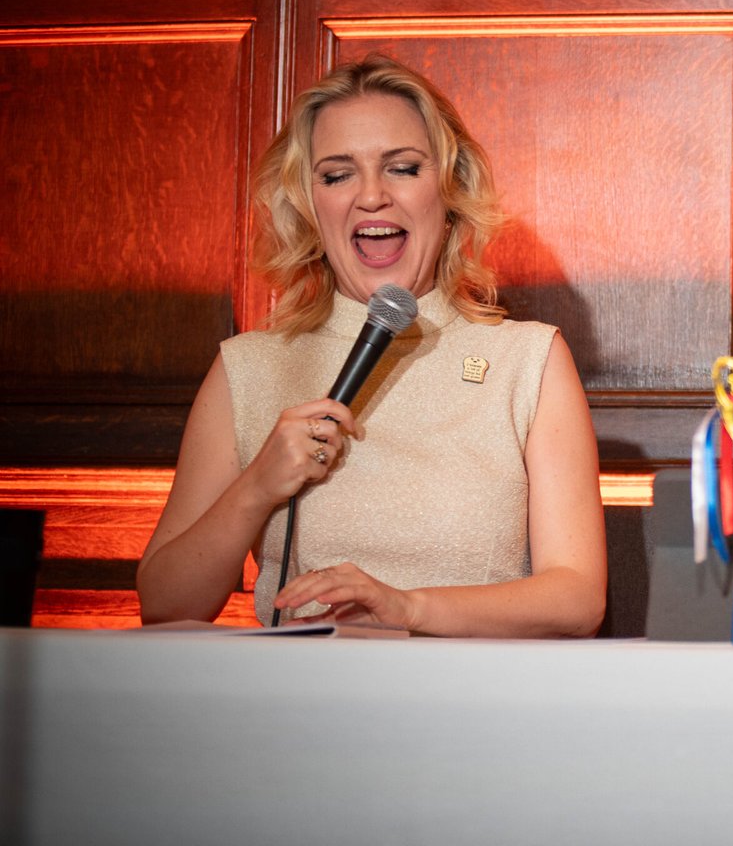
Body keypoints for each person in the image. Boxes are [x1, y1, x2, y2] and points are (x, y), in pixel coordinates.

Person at [137, 56, 606, 637]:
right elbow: (164, 605)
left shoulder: (528, 361)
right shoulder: (249, 366)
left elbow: (577, 598)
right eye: (337, 175)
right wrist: (256, 486)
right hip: (303, 708)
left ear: (449, 188)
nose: (371, 197)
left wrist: (407, 608)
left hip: (476, 707)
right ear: (309, 204)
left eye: (403, 168)